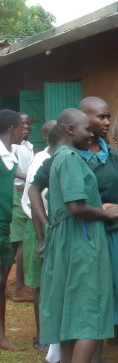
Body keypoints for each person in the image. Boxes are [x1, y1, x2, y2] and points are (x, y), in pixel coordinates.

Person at [40, 108, 118, 363]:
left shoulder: (61, 157)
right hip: (80, 241)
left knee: (74, 311)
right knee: (87, 314)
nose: (93, 133)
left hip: (72, 239)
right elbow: (76, 206)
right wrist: (105, 212)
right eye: (87, 129)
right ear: (70, 130)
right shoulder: (71, 158)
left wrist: (98, 205)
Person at [78, 96, 118, 363]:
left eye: (108, 117)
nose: (107, 122)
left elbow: (115, 200)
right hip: (86, 235)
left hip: (109, 235)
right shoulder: (72, 155)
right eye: (101, 117)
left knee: (106, 294)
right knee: (91, 297)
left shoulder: (109, 154)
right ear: (83, 118)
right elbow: (38, 188)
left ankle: (98, 358)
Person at [21, 120, 57, 350]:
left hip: (52, 226)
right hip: (39, 227)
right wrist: (41, 238)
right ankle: (41, 335)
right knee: (41, 285)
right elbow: (35, 203)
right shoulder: (40, 160)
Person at [0, 109, 24, 350]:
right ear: (12, 129)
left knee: (0, 280)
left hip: (4, 225)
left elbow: (15, 173)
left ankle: (1, 335)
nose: (23, 131)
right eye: (21, 127)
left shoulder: (10, 154)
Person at [10, 112, 33, 301]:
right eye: (22, 124)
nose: (26, 127)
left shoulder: (28, 146)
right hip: (17, 193)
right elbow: (13, 170)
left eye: (28, 124)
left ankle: (19, 282)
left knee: (22, 237)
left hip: (25, 193)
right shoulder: (12, 147)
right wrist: (29, 178)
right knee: (22, 238)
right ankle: (18, 286)